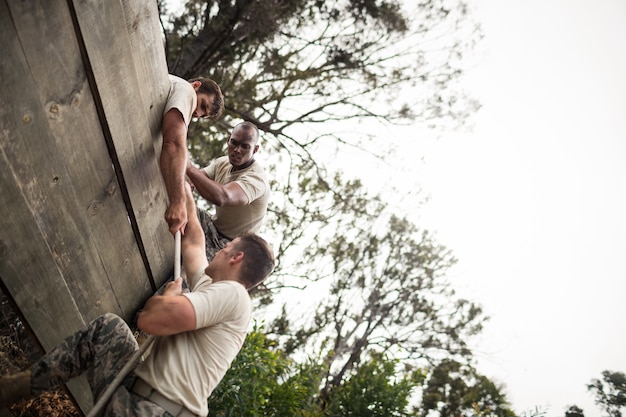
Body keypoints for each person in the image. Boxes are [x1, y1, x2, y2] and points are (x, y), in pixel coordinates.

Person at [0, 183, 274, 416]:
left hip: (156, 411)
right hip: (140, 400)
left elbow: (152, 320)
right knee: (110, 329)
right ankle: (10, 389)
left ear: (236, 257)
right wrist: (182, 188)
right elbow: (193, 240)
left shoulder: (235, 295)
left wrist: (168, 296)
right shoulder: (211, 288)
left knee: (113, 327)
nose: (218, 252)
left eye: (225, 248)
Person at [186, 121, 270, 260]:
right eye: (234, 143)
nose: (237, 150)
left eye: (245, 146)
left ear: (255, 150)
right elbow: (194, 179)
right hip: (211, 225)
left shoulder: (256, 179)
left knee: (190, 273)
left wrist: (189, 167)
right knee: (177, 204)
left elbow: (222, 197)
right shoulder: (222, 162)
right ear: (228, 141)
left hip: (229, 246)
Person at [161, 74, 224, 236]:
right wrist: (178, 202)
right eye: (202, 104)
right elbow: (173, 144)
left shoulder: (171, 94)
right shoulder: (187, 90)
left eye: (203, 115)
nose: (197, 113)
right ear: (196, 85)